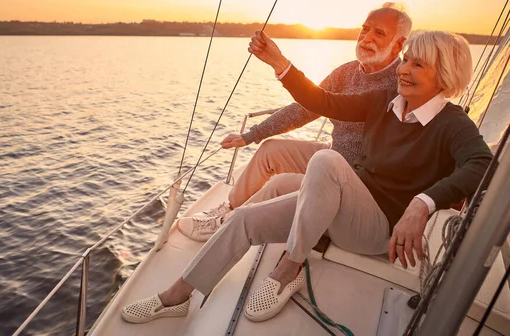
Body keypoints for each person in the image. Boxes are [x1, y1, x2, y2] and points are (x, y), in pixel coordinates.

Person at [121, 30, 492, 324]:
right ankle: (177, 296)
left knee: (327, 161)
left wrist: (422, 203)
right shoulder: (383, 100)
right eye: (406, 60)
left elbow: (481, 166)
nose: (404, 69)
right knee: (245, 219)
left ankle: (290, 266)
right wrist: (280, 65)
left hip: (378, 231)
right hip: (345, 207)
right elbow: (323, 101)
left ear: (444, 75)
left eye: (418, 65)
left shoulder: (452, 123)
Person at [177, 3, 413, 242]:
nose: (366, 38)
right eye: (365, 29)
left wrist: (280, 63)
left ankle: (230, 226)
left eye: (379, 33)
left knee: (280, 183)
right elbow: (305, 108)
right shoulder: (347, 72)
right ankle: (230, 208)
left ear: (399, 44)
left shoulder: (402, 84)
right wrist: (252, 135)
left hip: (356, 180)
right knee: (270, 150)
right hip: (334, 154)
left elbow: (321, 101)